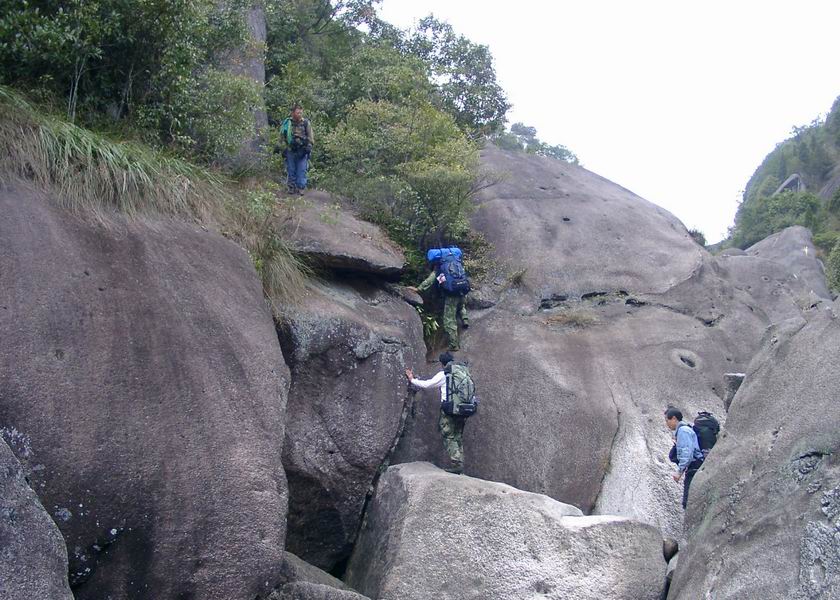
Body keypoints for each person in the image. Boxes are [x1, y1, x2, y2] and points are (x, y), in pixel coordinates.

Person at [405, 352, 466, 474]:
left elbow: (428, 384)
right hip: (463, 409)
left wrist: (412, 380)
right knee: (458, 435)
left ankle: (457, 464)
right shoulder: (462, 373)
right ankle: (460, 463)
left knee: (449, 435)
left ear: (442, 363)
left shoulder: (444, 374)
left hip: (449, 409)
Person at [409, 253, 469, 352]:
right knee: (461, 305)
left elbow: (429, 281)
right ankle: (465, 319)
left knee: (449, 320)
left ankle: (454, 345)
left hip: (452, 296)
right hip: (462, 290)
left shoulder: (440, 270)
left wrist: (417, 289)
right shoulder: (456, 265)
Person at [665, 406, 705, 509]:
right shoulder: (684, 430)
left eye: (667, 420)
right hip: (695, 467)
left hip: (694, 467)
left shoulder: (683, 431)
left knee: (688, 503)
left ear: (674, 418)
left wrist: (679, 472)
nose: (667, 424)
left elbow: (687, 453)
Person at [279, 104, 314, 195]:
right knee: (291, 169)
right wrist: (280, 147)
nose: (300, 114)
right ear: (292, 113)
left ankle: (301, 187)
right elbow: (282, 137)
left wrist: (309, 146)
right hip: (290, 149)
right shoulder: (287, 123)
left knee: (302, 170)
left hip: (302, 150)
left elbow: (311, 137)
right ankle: (291, 187)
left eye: (301, 113)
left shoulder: (306, 123)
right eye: (298, 113)